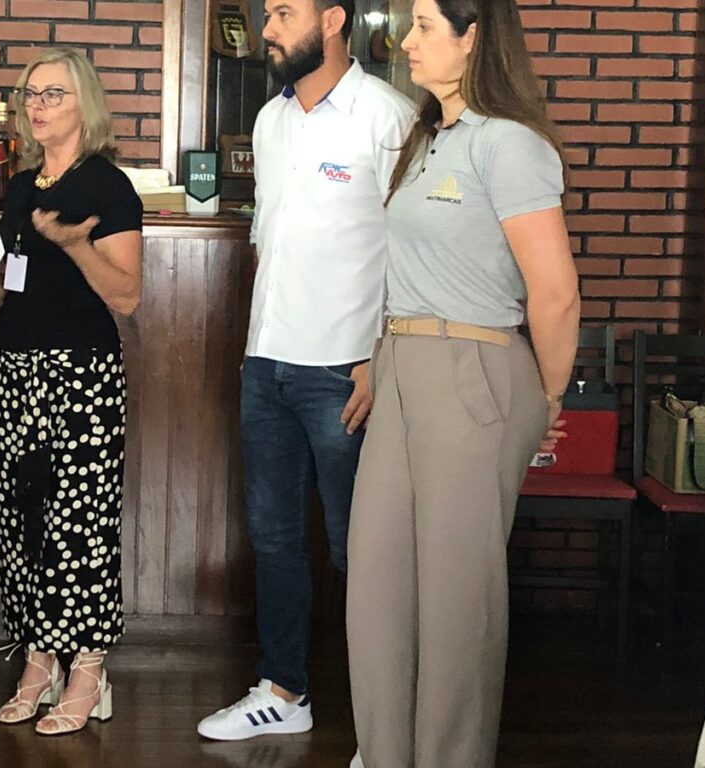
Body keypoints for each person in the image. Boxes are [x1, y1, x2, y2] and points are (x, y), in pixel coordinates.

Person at [344, 0, 581, 765]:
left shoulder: (509, 144)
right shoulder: (427, 138)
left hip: (474, 369)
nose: (405, 40)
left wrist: (547, 399)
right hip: (402, 367)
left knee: (455, 605)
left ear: (473, 36)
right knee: (376, 589)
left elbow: (555, 293)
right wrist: (378, 359)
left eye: (423, 24)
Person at [196, 0, 415, 742]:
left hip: (346, 374)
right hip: (266, 366)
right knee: (275, 540)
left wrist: (381, 356)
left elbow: (415, 247)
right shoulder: (271, 120)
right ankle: (284, 692)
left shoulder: (388, 119)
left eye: (283, 13)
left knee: (363, 549)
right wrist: (258, 350)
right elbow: (272, 238)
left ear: (332, 20)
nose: (266, 30)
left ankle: (391, 720)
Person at [0, 48, 142, 737]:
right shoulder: (20, 186)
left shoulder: (108, 188)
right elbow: (24, 286)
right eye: (30, 93)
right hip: (16, 369)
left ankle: (89, 668)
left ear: (84, 103)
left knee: (80, 522)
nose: (36, 105)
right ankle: (39, 660)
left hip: (81, 375)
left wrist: (74, 244)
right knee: (22, 517)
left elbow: (127, 295)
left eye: (52, 94)